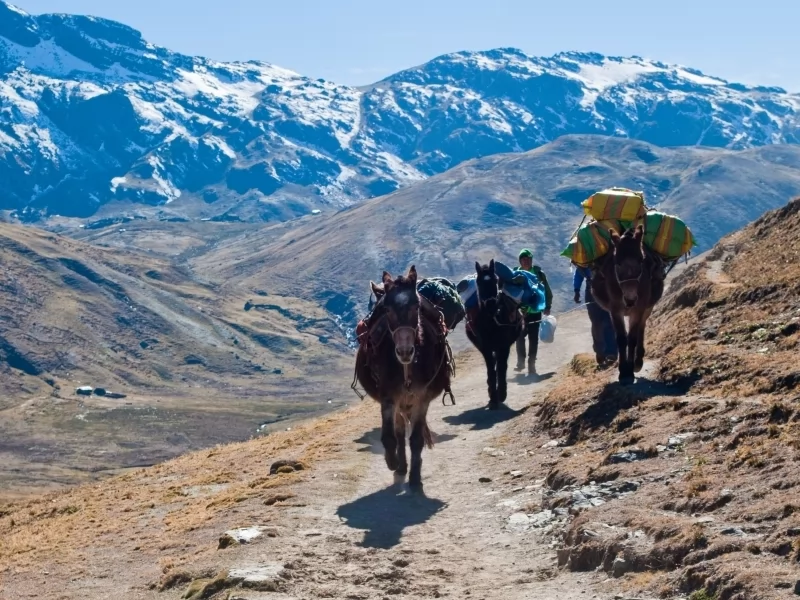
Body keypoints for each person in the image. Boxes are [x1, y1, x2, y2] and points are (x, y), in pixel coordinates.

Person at [514, 249, 552, 375]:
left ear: (531, 260)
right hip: (520, 313)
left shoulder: (539, 274)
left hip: (535, 311)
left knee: (533, 338)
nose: (526, 261)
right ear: (520, 261)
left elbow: (546, 290)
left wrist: (548, 305)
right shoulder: (516, 275)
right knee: (519, 336)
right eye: (523, 259)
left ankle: (532, 365)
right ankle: (521, 362)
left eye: (528, 259)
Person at [573, 264, 617, 366]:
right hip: (593, 288)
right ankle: (600, 351)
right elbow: (579, 272)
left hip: (608, 287)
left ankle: (611, 353)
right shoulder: (586, 258)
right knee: (597, 322)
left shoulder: (606, 252)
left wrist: (577, 290)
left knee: (609, 321)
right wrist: (576, 290)